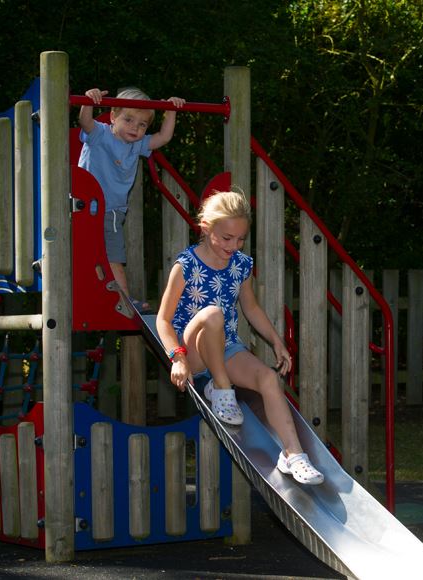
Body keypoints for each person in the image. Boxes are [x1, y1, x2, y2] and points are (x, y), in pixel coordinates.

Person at [155, 190, 324, 486]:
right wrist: (177, 358)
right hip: (193, 350)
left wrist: (276, 341)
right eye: (226, 238)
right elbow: (163, 319)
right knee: (212, 315)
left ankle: (293, 455)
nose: (233, 246)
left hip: (228, 348)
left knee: (269, 379)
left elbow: (251, 307)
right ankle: (220, 388)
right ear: (206, 227)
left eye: (240, 239)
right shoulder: (186, 266)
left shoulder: (241, 265)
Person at [78, 86, 185, 312]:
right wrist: (88, 101)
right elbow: (85, 122)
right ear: (113, 116)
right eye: (128, 119)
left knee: (112, 257)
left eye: (142, 124)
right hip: (84, 207)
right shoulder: (101, 133)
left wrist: (171, 110)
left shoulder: (138, 144)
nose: (135, 128)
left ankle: (122, 299)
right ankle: (119, 299)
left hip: (113, 212)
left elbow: (164, 137)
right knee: (93, 255)